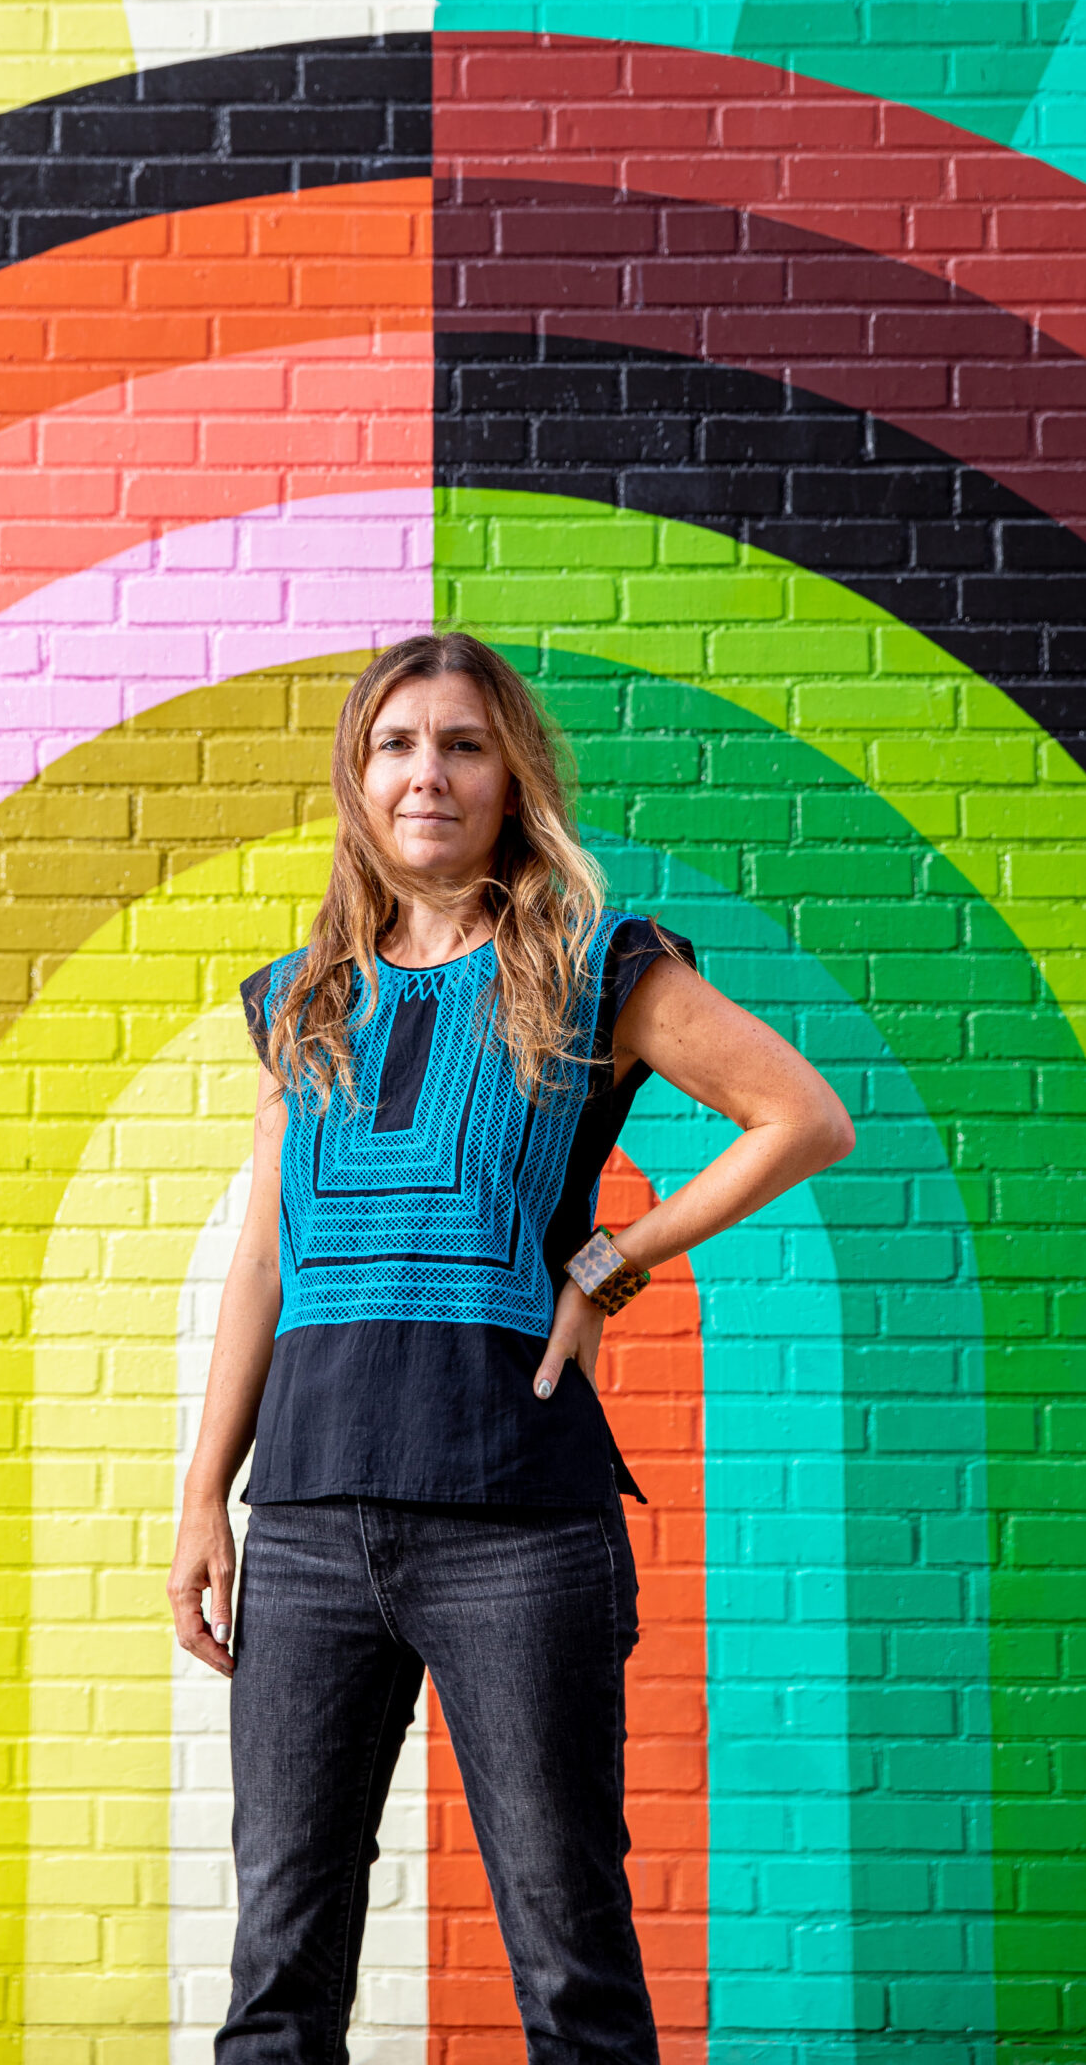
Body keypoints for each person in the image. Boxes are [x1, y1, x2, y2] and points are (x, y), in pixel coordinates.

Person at [167, 632, 856, 2065]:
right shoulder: (305, 998)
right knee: (282, 1958)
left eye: (463, 744)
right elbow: (264, 1258)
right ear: (360, 781)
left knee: (567, 1950)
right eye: (398, 744)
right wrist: (202, 1496)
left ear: (511, 777)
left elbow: (802, 1116)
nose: (430, 771)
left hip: (517, 1524)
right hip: (302, 1521)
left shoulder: (598, 965)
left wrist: (613, 1262)